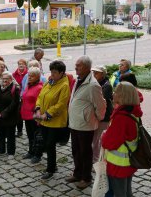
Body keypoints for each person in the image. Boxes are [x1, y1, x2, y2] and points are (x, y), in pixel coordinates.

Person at [67, 56, 106, 189]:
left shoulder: (93, 85)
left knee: (85, 152)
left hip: (85, 124)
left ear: (87, 68)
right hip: (74, 122)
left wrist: (96, 118)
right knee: (76, 150)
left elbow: (100, 106)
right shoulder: (78, 79)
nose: (76, 67)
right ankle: (77, 173)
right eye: (76, 65)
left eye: (79, 65)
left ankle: (86, 177)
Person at [102, 82, 142, 197]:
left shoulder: (121, 117)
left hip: (118, 165)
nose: (113, 94)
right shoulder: (134, 112)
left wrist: (104, 135)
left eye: (116, 92)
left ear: (122, 96)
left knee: (119, 193)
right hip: (129, 160)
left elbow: (108, 142)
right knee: (127, 191)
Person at [34, 60, 70, 180]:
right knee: (46, 143)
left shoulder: (64, 85)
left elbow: (61, 104)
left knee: (50, 144)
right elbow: (40, 96)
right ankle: (52, 166)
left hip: (55, 122)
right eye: (51, 72)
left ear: (61, 73)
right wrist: (38, 109)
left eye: (55, 72)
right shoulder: (49, 82)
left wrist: (47, 114)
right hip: (44, 119)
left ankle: (50, 169)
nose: (52, 74)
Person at [0, 71, 20, 159]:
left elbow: (14, 104)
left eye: (7, 79)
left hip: (9, 117)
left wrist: (2, 114)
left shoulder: (15, 89)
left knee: (10, 135)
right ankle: (0, 150)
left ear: (11, 79)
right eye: (3, 78)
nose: (4, 80)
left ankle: (11, 152)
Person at [21, 67, 43, 163]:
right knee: (30, 135)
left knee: (36, 136)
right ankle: (31, 151)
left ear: (38, 77)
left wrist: (36, 114)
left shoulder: (39, 87)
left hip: (34, 116)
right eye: (29, 75)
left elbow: (40, 103)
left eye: (32, 76)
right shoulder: (29, 85)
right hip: (26, 115)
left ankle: (37, 155)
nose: (29, 77)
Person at [91, 65, 113, 163]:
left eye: (97, 72)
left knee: (99, 139)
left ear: (102, 74)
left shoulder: (107, 85)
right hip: (96, 114)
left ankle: (97, 160)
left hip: (104, 116)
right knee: (95, 138)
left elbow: (99, 100)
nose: (94, 74)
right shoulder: (95, 83)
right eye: (94, 72)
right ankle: (95, 158)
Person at [12, 59, 28, 137]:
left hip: (24, 96)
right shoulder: (14, 74)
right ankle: (17, 130)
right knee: (16, 113)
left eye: (23, 64)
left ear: (25, 65)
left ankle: (21, 130)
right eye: (19, 64)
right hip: (16, 96)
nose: (21, 65)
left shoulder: (28, 74)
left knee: (21, 114)